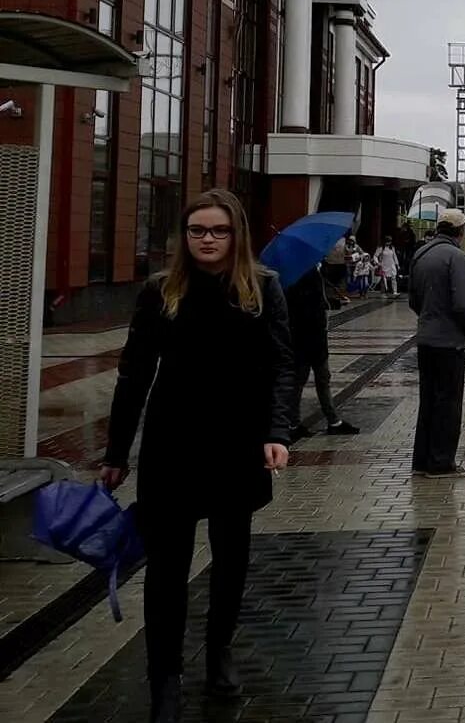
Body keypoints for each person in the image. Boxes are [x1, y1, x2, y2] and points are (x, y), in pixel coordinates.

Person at [100, 189, 297, 721]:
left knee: (231, 560)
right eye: (197, 231)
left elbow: (282, 365)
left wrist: (277, 431)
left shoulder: (262, 290)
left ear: (237, 236)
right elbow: (133, 374)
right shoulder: (161, 292)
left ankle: (219, 653)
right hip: (172, 447)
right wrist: (116, 452)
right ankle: (164, 677)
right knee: (166, 570)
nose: (207, 239)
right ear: (185, 238)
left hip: (238, 443)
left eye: (218, 231)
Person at [407, 209, 465, 479]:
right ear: (460, 231)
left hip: (426, 340)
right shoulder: (457, 257)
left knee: (428, 401)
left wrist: (429, 318)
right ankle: (441, 463)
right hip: (450, 343)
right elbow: (463, 305)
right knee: (448, 403)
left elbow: (413, 300)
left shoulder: (420, 254)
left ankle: (421, 462)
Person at [283, 265, 360, 438]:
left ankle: (299, 422)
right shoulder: (306, 275)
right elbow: (311, 308)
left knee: (307, 382)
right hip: (310, 340)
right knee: (314, 381)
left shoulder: (300, 275)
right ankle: (308, 422)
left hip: (304, 340)